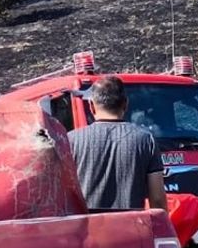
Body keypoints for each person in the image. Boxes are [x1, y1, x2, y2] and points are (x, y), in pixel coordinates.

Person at [68, 76, 167, 210]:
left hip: (89, 228)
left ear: (91, 106)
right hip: (132, 227)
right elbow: (157, 199)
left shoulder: (71, 140)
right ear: (125, 104)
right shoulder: (145, 140)